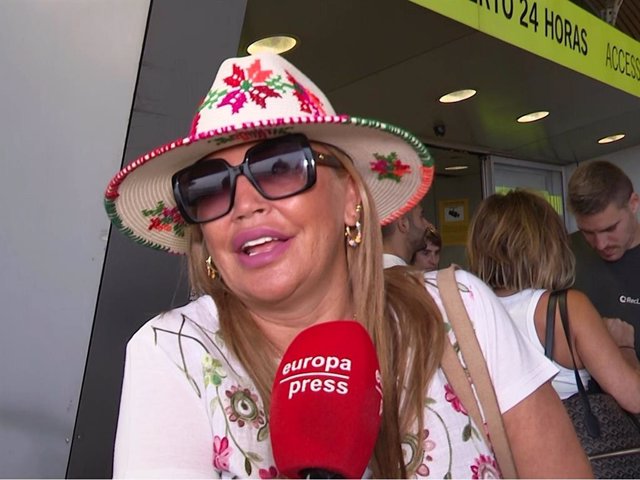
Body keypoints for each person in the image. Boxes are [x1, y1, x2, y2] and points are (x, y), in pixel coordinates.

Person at [104, 53, 591, 478]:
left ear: (351, 200)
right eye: (209, 187)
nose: (244, 204)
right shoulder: (171, 356)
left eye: (279, 167)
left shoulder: (459, 311)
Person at [467, 189, 640, 413]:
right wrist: (624, 347)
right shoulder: (565, 309)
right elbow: (634, 399)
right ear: (549, 243)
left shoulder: (468, 310)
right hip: (567, 444)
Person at [568, 160, 640, 359]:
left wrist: (625, 352)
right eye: (587, 232)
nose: (600, 244)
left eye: (610, 229)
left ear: (633, 204)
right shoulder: (562, 254)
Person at [381, 204, 431, 268]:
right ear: (403, 224)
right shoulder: (398, 276)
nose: (428, 225)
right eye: (421, 216)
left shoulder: (373, 271)